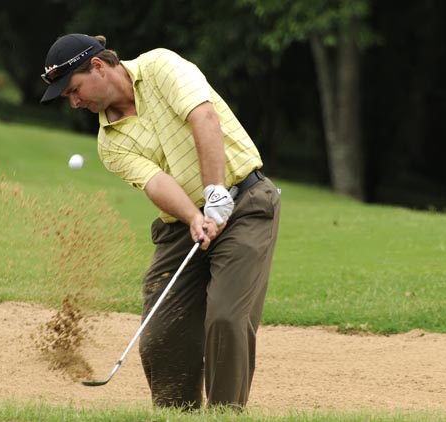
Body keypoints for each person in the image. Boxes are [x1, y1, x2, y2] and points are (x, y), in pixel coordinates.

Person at [40, 33, 280, 410]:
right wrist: (194, 217)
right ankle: (176, 416)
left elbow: (203, 116)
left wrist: (215, 191)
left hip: (245, 203)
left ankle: (224, 416)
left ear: (98, 67)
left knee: (226, 319)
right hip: (182, 225)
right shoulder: (109, 141)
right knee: (161, 333)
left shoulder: (160, 66)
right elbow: (157, 182)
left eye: (73, 90)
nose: (74, 102)